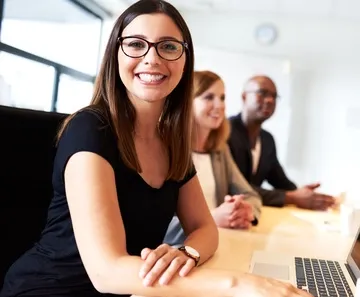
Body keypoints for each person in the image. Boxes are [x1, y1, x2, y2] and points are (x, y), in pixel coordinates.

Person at [0, 1, 312, 297]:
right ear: (115, 54)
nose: (152, 58)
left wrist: (186, 253)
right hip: (51, 289)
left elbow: (205, 228)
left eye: (168, 46)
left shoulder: (171, 140)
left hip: (137, 290)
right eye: (136, 44)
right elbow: (106, 271)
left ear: (184, 59)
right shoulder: (90, 128)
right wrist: (238, 284)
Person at [164, 70, 262, 247]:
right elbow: (155, 224)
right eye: (209, 97)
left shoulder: (220, 151)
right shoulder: (166, 150)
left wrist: (246, 212)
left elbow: (250, 195)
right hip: (175, 253)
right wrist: (210, 220)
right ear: (187, 103)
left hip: (214, 246)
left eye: (222, 98)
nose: (219, 105)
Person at [228, 75, 335, 210]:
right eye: (262, 93)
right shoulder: (224, 133)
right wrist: (292, 197)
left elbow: (280, 180)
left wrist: (303, 193)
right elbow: (235, 187)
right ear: (244, 97)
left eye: (274, 96)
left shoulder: (267, 140)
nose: (270, 100)